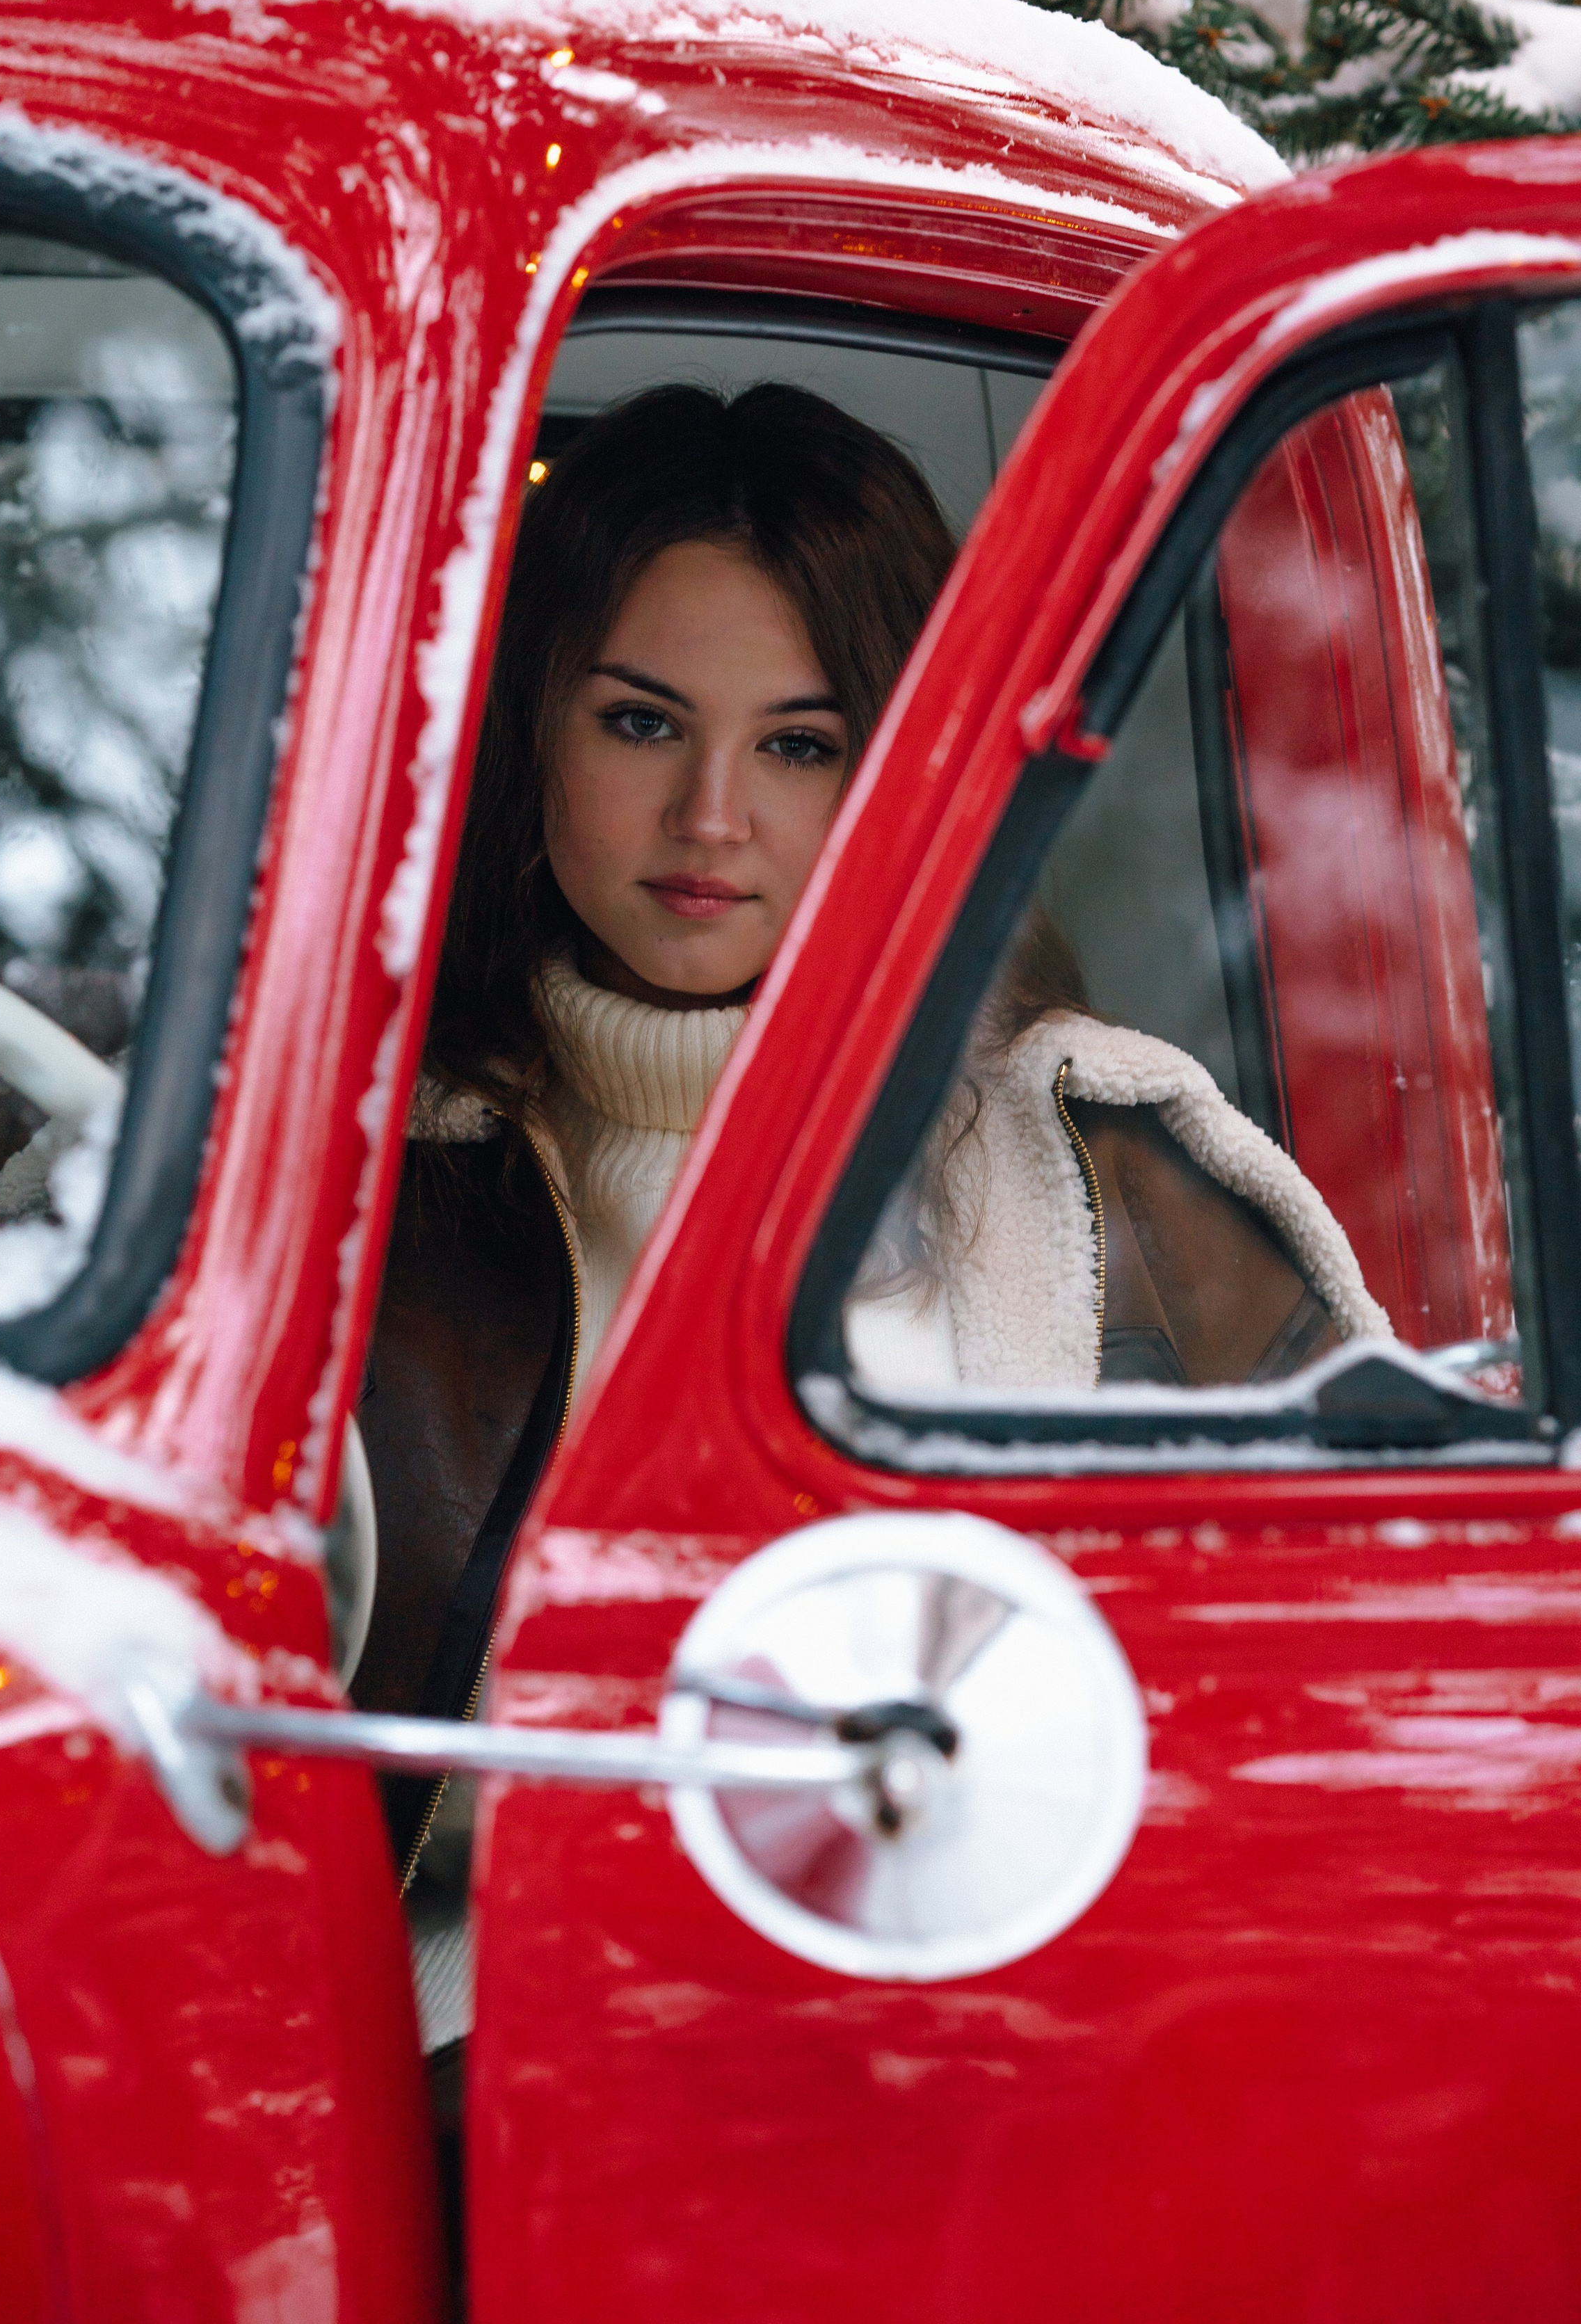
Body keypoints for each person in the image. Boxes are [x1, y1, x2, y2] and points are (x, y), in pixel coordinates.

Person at [351, 374, 1387, 1816]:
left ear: (903, 773)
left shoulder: (1106, 1154)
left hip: (958, 2009)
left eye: (799, 745)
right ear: (532, 731)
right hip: (455, 2010)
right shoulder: (346, 1164)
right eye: (641, 724)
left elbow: (1351, 1683)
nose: (710, 816)